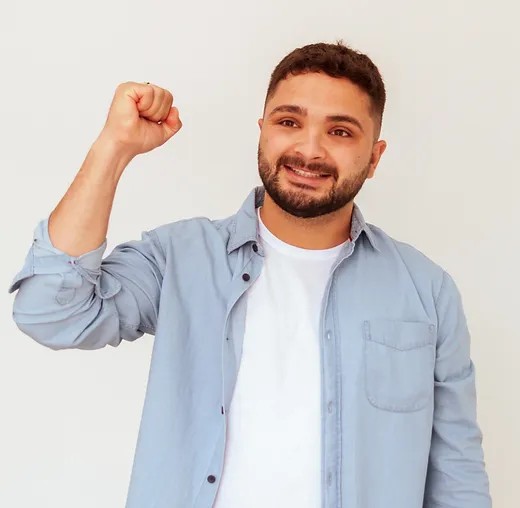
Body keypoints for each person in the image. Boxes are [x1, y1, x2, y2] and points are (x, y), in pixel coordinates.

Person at [8, 41, 491, 508]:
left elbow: (457, 476)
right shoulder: (180, 257)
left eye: (341, 132)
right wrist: (114, 147)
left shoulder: (426, 290)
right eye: (289, 122)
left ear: (375, 157)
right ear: (262, 131)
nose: (309, 149)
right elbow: (51, 312)